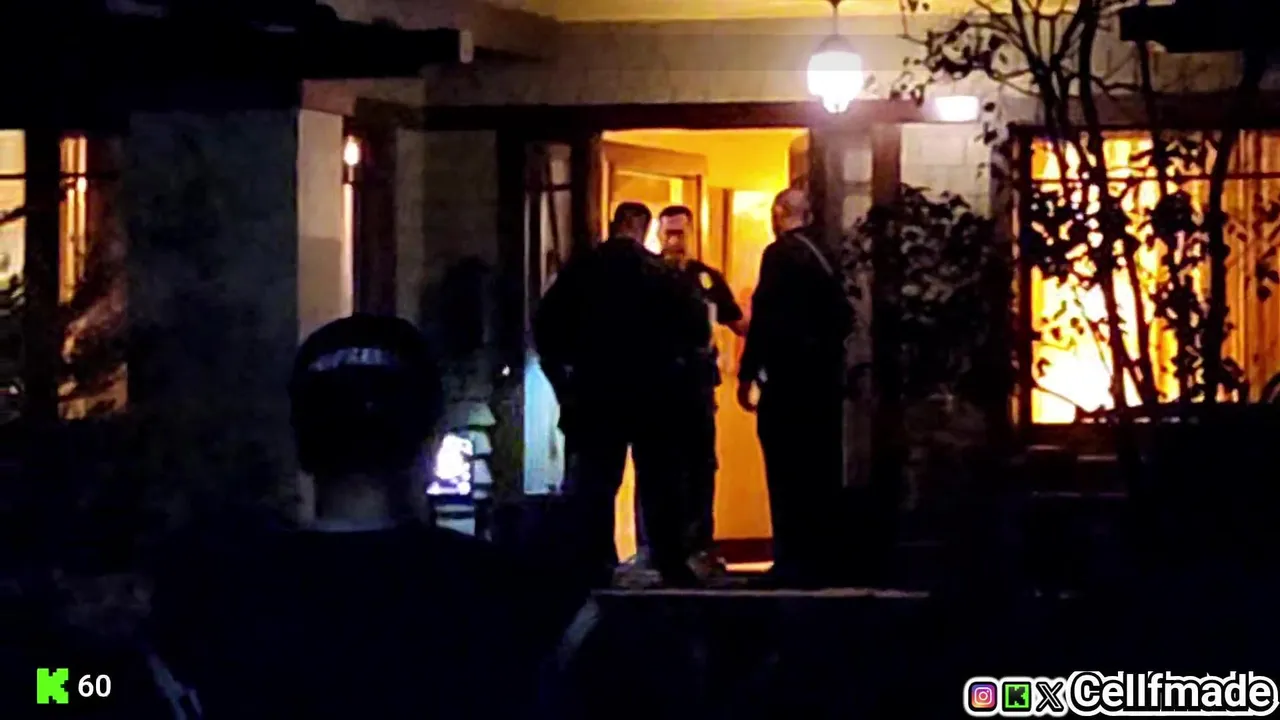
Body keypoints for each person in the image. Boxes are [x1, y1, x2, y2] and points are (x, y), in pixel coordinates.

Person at [149, 314, 589, 719]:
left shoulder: (219, 601)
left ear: (301, 444)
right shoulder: (509, 596)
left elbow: (114, 687)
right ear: (430, 445)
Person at [534, 202, 711, 588]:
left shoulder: (582, 271)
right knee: (660, 480)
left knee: (596, 482)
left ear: (613, 224)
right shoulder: (659, 274)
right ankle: (670, 560)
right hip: (652, 392)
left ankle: (594, 561)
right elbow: (696, 330)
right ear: (644, 229)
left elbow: (545, 327)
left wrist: (565, 382)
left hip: (596, 392)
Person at [736, 189, 853, 588]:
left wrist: (748, 373)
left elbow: (765, 318)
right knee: (819, 471)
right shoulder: (826, 255)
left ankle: (791, 559)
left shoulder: (780, 254)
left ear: (779, 213)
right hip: (824, 384)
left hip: (788, 384)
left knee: (786, 472)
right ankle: (821, 558)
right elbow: (843, 316)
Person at [630, 205, 748, 581]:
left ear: (693, 234)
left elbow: (737, 321)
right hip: (656, 389)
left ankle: (699, 546)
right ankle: (652, 548)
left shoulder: (705, 279)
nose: (674, 242)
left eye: (681, 234)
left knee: (700, 467)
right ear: (658, 235)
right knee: (655, 468)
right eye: (668, 233)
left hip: (697, 388)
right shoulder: (646, 276)